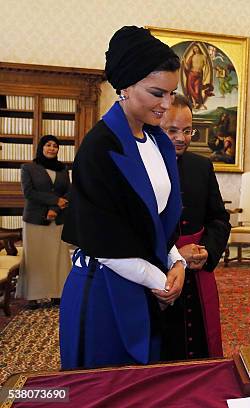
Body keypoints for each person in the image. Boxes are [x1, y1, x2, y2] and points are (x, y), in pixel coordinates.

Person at [59, 26, 186, 369]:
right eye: (157, 93)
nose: (167, 105)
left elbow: (157, 221)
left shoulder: (158, 142)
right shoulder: (100, 148)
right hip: (103, 291)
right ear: (125, 87)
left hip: (146, 286)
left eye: (172, 94)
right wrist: (164, 281)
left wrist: (177, 262)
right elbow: (105, 242)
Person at [160, 94, 231, 359]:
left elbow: (219, 219)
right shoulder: (144, 166)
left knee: (200, 350)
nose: (181, 138)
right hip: (160, 274)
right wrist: (177, 255)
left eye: (188, 131)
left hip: (199, 274)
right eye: (173, 131)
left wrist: (207, 252)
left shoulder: (201, 166)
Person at [19, 135, 71, 309]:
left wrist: (55, 209)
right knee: (35, 258)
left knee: (58, 258)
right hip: (34, 220)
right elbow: (29, 193)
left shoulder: (63, 169)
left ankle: (58, 293)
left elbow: (68, 193)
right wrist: (54, 202)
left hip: (58, 220)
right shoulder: (28, 168)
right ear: (41, 147)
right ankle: (34, 296)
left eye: (55, 146)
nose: (51, 148)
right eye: (48, 145)